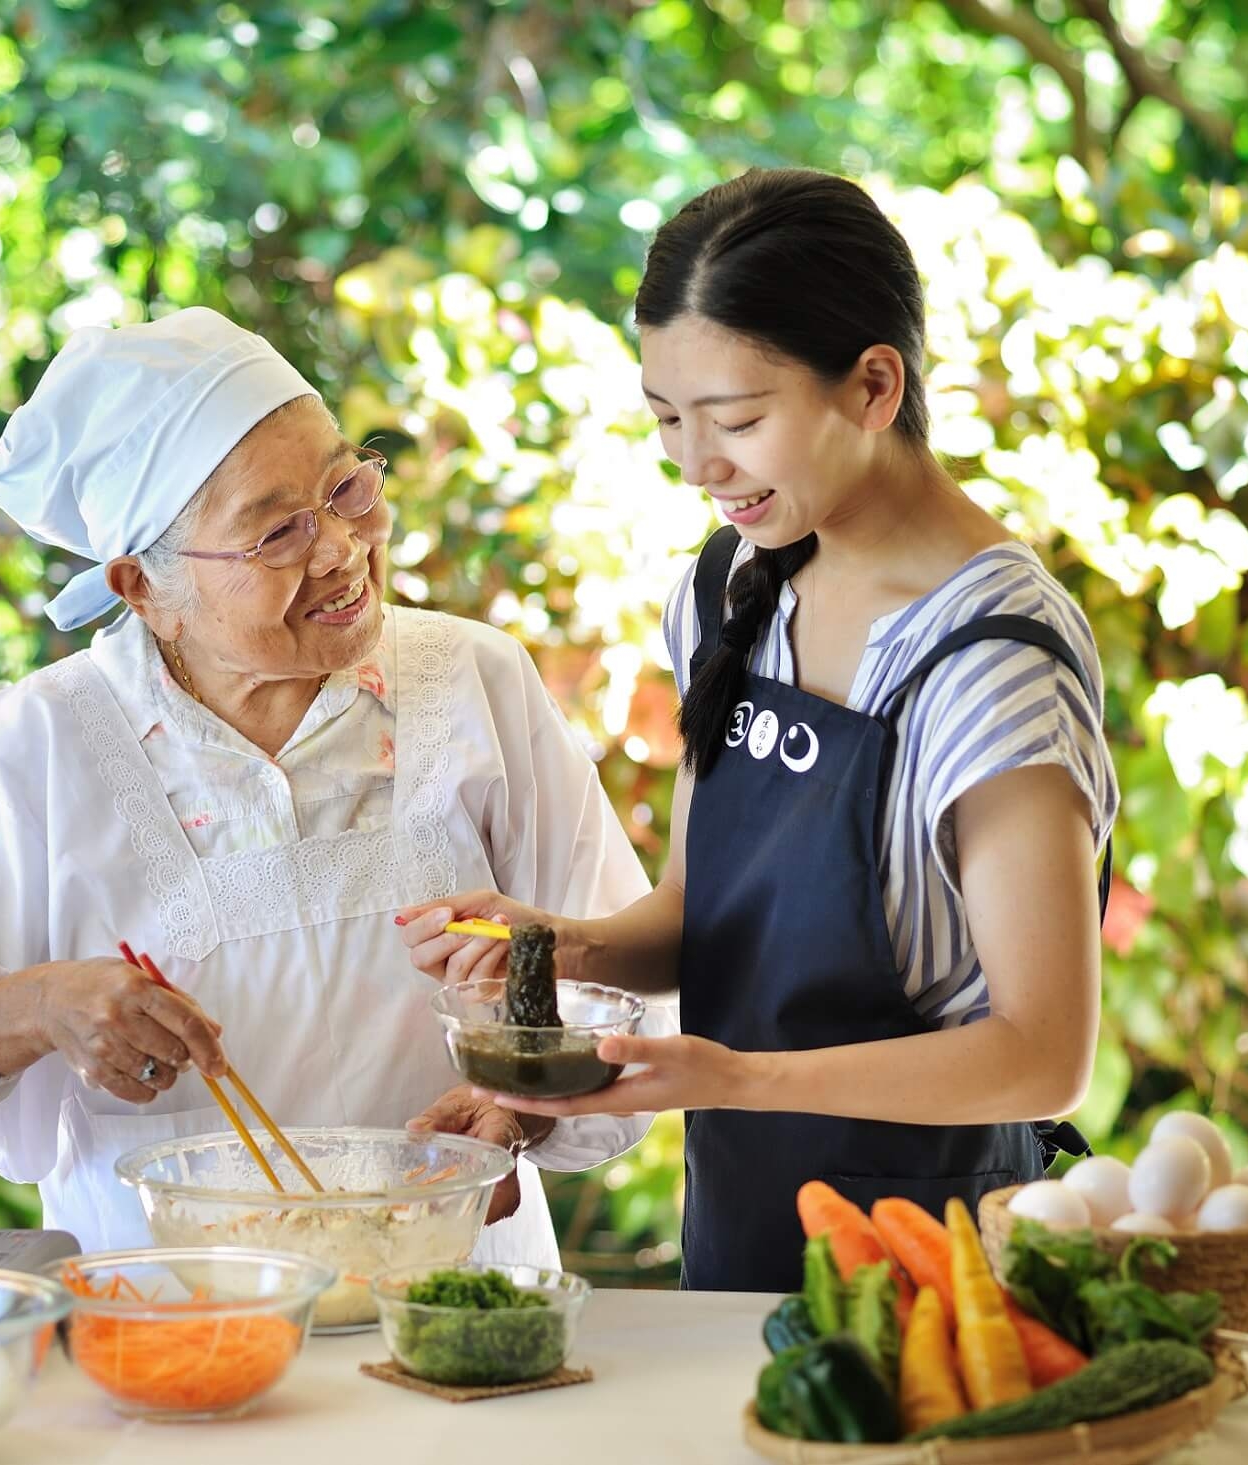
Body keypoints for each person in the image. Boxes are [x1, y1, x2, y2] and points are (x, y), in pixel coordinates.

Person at [0, 307, 668, 1261]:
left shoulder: (471, 683)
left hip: (459, 1294)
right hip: (169, 1319)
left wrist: (520, 1109)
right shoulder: (33, 748)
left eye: (347, 488)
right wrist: (40, 1005)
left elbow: (626, 988)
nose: (338, 548)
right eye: (277, 533)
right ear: (141, 587)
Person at [397, 169, 1119, 1293]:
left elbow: (1041, 1057)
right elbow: (698, 918)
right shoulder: (737, 586)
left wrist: (728, 1075)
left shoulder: (989, 663)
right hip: (734, 1244)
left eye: (736, 419)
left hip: (942, 1275)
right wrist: (555, 947)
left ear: (874, 384)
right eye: (666, 418)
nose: (696, 463)